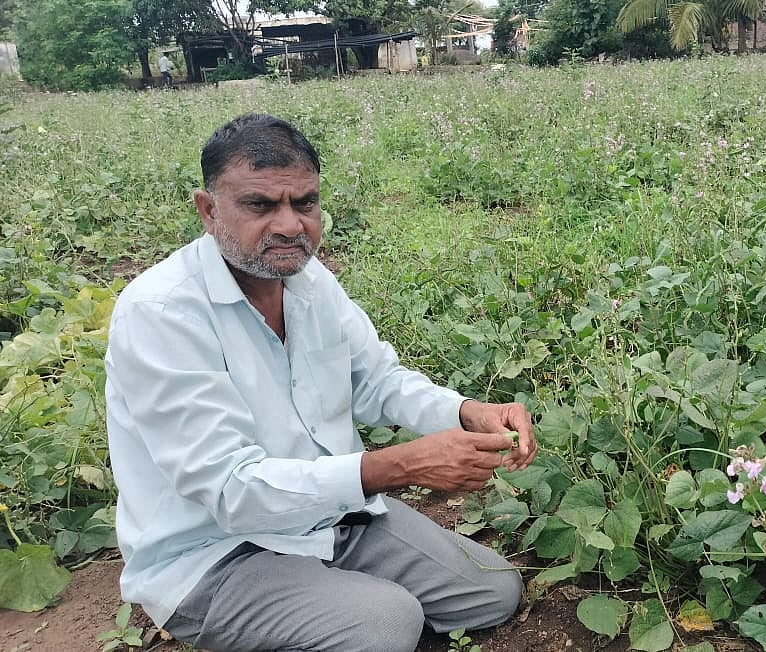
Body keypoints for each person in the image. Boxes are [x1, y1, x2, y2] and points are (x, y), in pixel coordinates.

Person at [104, 113, 538, 652]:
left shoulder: (307, 281)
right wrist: (402, 465)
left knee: (491, 592)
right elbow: (230, 490)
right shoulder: (161, 313)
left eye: (304, 203)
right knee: (387, 624)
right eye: (261, 205)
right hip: (216, 554)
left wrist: (466, 411)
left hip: (329, 520)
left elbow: (378, 380)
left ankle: (334, 596)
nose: (290, 225)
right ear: (209, 211)